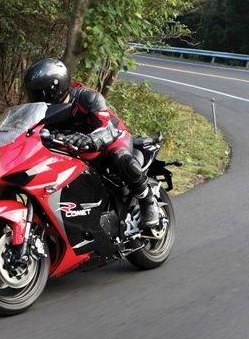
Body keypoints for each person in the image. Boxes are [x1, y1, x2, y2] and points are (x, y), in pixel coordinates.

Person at [23, 57, 160, 230]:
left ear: (55, 88)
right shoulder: (41, 111)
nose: (35, 98)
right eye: (33, 93)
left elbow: (107, 128)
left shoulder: (87, 98)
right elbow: (27, 132)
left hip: (111, 138)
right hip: (74, 149)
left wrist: (90, 139)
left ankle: (148, 201)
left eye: (39, 93)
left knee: (121, 158)